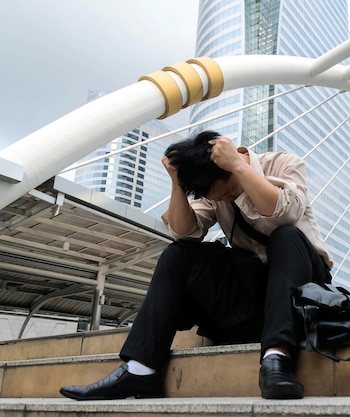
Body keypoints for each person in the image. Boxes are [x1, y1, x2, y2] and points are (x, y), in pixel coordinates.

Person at [59, 130, 333, 400]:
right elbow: (183, 232)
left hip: (304, 293)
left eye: (229, 191)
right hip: (256, 302)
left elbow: (286, 214)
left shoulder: (283, 163)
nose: (227, 199)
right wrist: (177, 182)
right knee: (178, 254)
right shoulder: (214, 192)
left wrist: (238, 166)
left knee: (285, 237)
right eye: (220, 198)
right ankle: (141, 370)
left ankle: (277, 359)